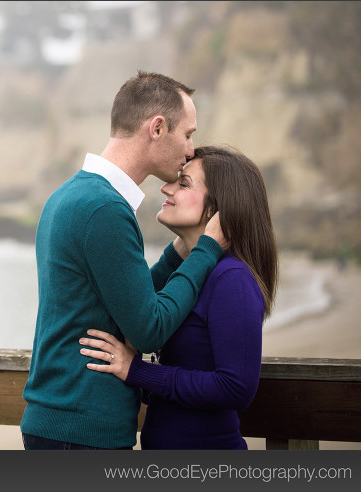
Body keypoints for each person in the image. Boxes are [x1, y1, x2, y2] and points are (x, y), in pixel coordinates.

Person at [20, 71, 228, 450]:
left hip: (61, 420)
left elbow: (123, 301)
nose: (191, 151)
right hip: (81, 428)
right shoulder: (104, 209)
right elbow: (148, 328)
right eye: (188, 134)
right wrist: (207, 249)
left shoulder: (69, 195)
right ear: (158, 128)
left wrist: (178, 253)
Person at [80, 146, 278, 449]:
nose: (166, 187)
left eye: (184, 183)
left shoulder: (231, 279)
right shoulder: (195, 272)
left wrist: (137, 371)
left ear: (215, 209)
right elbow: (144, 316)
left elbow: (236, 388)